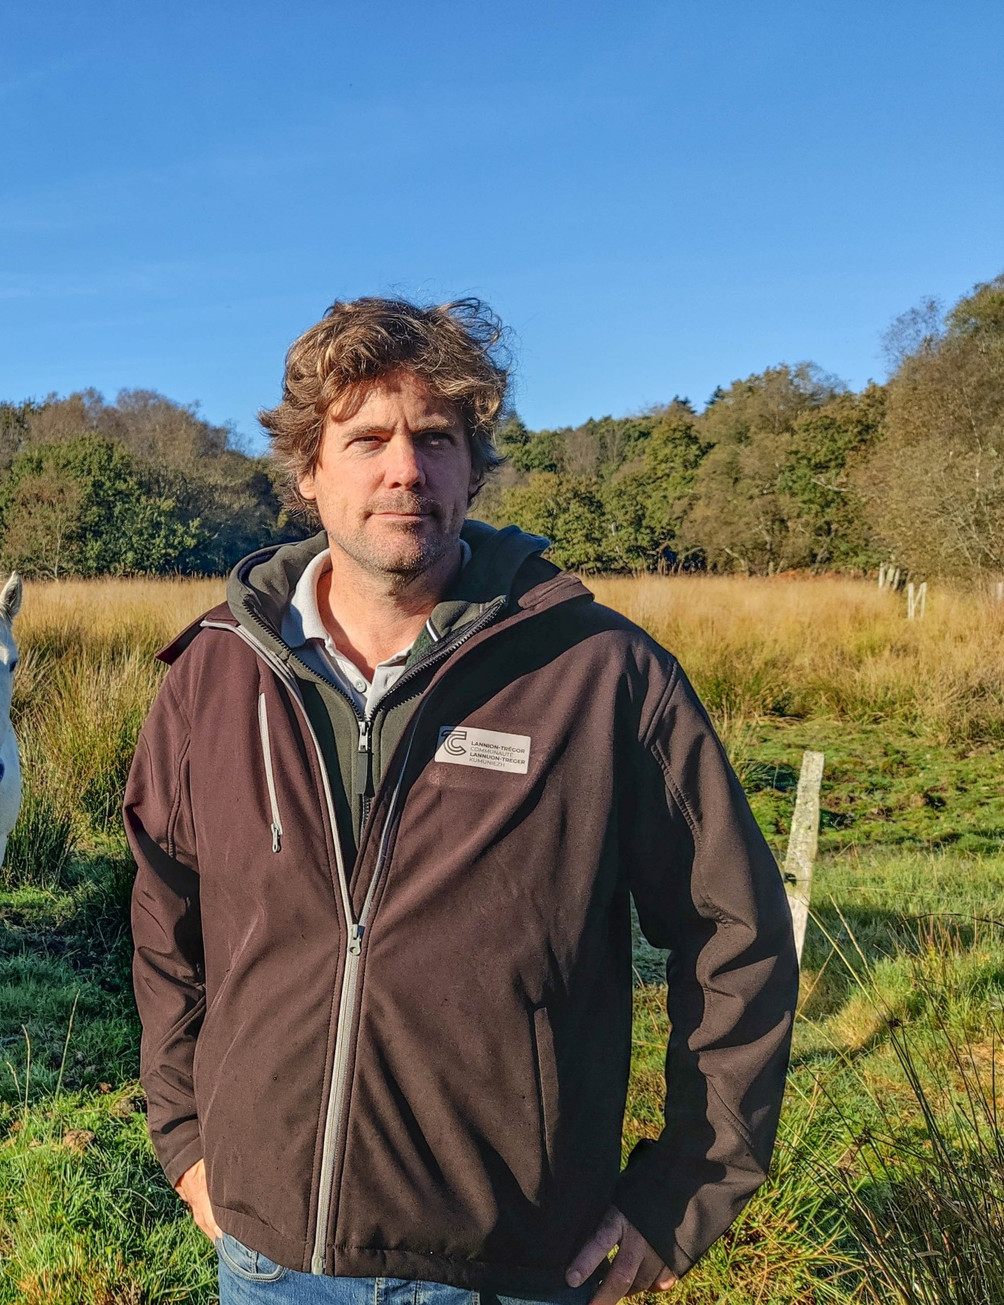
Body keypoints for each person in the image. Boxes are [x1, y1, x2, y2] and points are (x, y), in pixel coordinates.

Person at [124, 297, 798, 1304]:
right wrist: (183, 1132)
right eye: (367, 439)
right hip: (270, 1262)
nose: (405, 469)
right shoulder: (216, 676)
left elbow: (733, 930)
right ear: (308, 472)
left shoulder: (599, 674)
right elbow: (164, 915)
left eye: (436, 439)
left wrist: (689, 1183)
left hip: (508, 1264)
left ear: (472, 469)